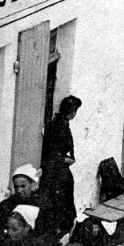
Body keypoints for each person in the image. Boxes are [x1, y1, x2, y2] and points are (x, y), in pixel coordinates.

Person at [41, 95, 82, 235]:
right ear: (72, 112)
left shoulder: (61, 123)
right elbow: (53, 151)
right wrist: (65, 159)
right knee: (60, 200)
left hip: (59, 169)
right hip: (56, 170)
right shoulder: (59, 126)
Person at [0, 164, 56, 246]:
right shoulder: (4, 206)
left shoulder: (43, 205)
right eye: (16, 186)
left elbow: (48, 233)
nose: (19, 190)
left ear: (31, 184)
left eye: (23, 186)